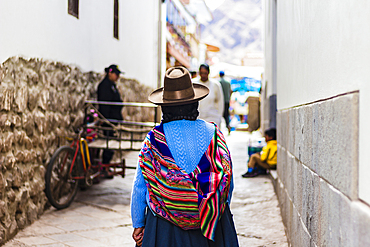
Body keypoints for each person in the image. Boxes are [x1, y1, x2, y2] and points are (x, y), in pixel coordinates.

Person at [131, 67, 238, 247]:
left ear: (164, 107)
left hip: (165, 229)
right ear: (194, 103)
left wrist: (138, 223)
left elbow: (140, 185)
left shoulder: (154, 139)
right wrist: (217, 210)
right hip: (210, 226)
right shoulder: (214, 134)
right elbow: (228, 180)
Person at [97, 64, 123, 178]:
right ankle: (104, 167)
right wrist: (106, 120)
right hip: (108, 120)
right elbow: (105, 105)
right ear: (110, 73)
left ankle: (105, 166)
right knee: (108, 144)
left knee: (110, 144)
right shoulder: (105, 86)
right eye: (116, 74)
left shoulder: (111, 85)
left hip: (113, 119)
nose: (117, 77)